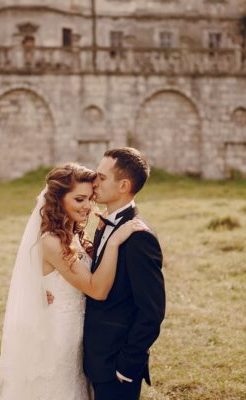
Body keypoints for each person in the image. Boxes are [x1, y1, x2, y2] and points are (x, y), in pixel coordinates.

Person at [0, 162, 148, 400]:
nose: (87, 206)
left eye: (90, 198)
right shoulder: (52, 242)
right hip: (60, 337)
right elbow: (96, 290)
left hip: (81, 336)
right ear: (59, 200)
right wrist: (115, 241)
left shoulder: (74, 233)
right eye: (79, 200)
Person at [84, 147, 165, 400]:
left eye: (102, 177)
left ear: (123, 186)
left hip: (116, 366)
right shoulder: (104, 222)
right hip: (95, 358)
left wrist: (127, 364)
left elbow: (152, 311)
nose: (94, 182)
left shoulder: (140, 238)